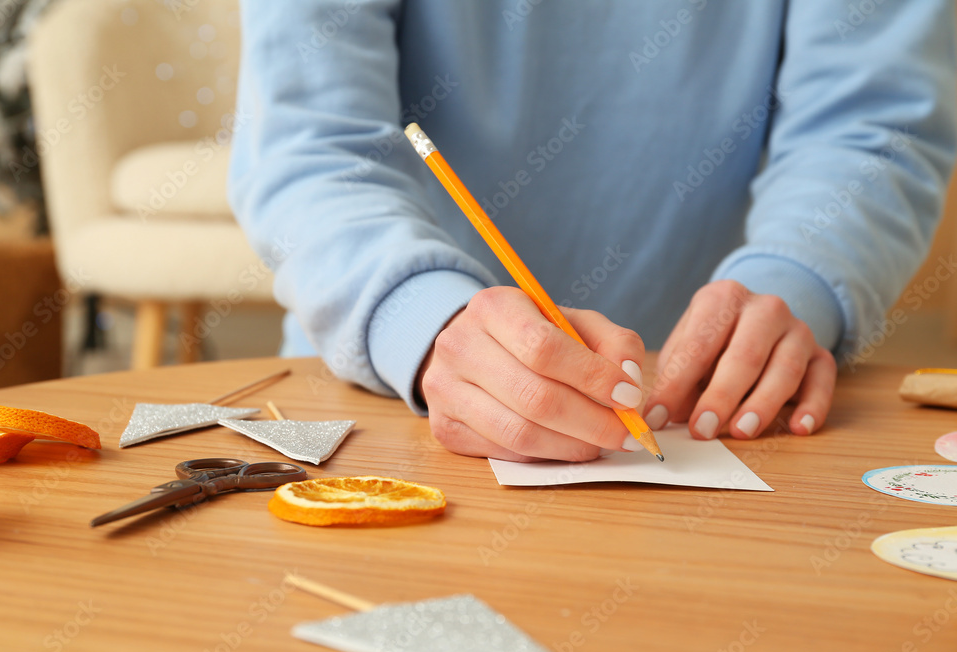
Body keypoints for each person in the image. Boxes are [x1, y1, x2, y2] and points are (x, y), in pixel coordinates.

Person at [230, 1, 957, 462]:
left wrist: (796, 279)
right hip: (389, 398)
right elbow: (309, 142)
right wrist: (421, 315)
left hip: (731, 409)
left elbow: (871, 123)